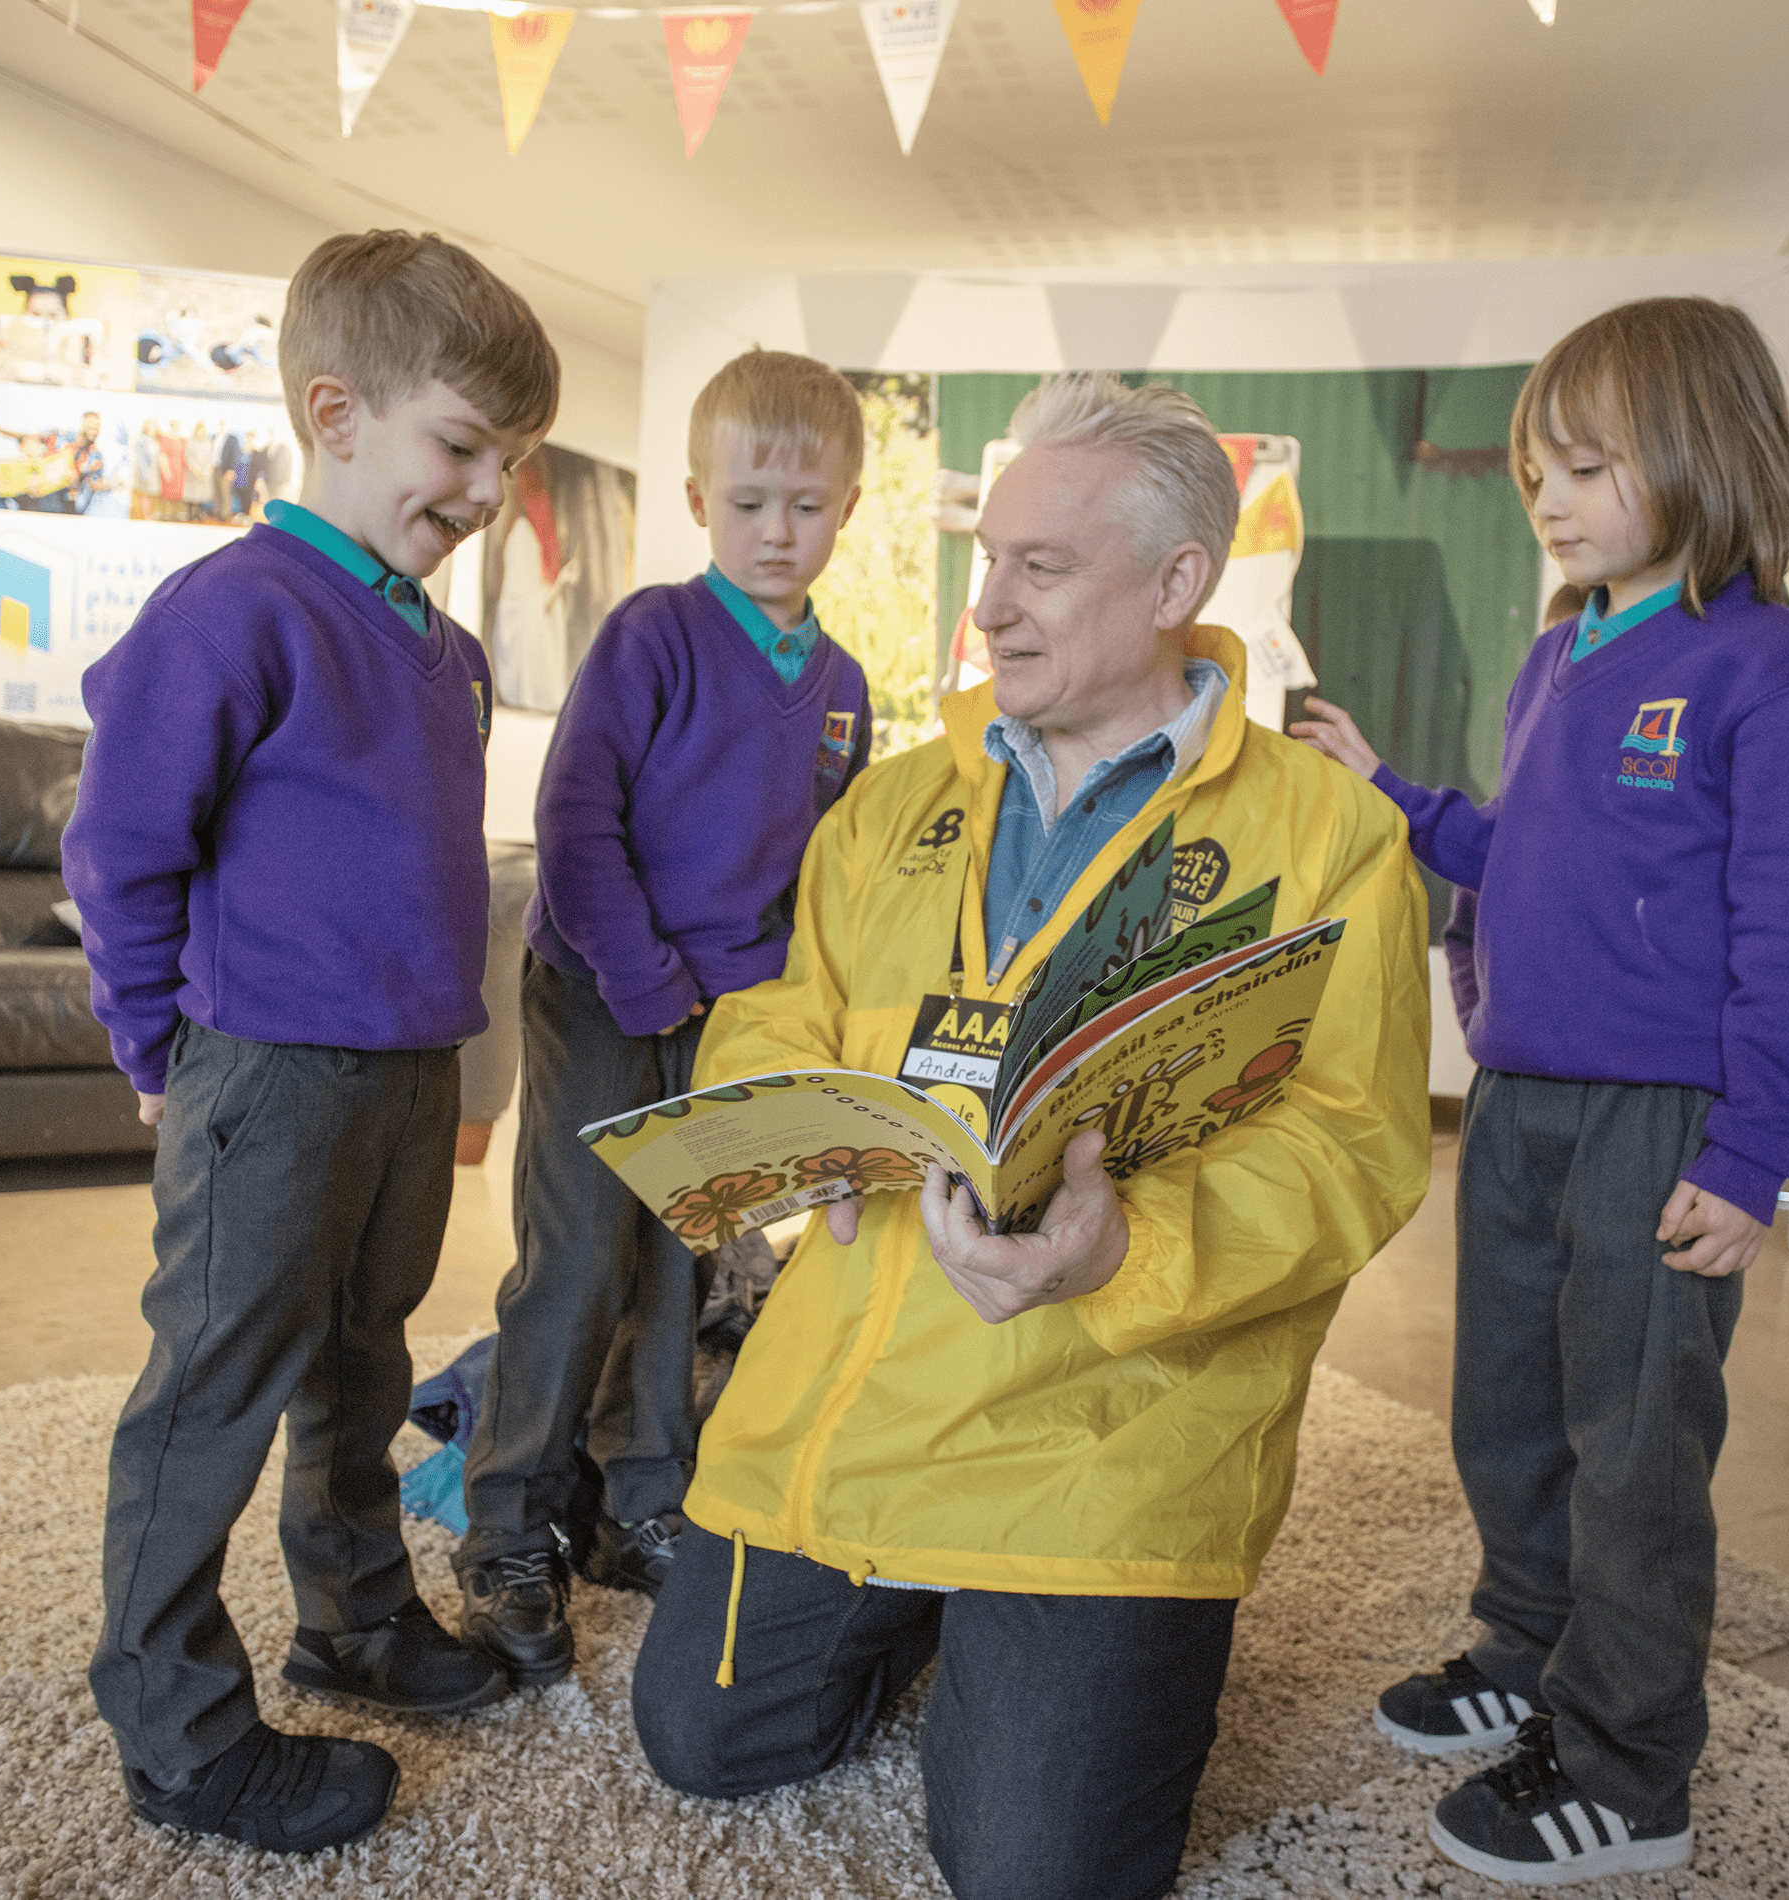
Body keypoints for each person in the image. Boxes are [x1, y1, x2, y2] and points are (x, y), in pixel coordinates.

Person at [629, 372, 1432, 1900]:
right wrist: (793, 1130)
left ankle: (1037, 1637)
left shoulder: (1334, 840)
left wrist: (1131, 1240)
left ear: (1179, 583)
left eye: (1040, 569)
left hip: (1106, 1430)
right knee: (702, 1738)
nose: (987, 606)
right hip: (859, 1389)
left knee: (1037, 1873)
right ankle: (952, 1619)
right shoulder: (889, 805)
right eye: (990, 558)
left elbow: (1355, 1144)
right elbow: (785, 1010)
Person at [1290, 296, 1789, 1885]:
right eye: (1541, 466)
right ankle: (1527, 1648)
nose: (1550, 495)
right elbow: (1510, 856)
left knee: (1636, 1442)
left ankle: (1628, 1764)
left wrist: (1754, 1154)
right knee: (1509, 1412)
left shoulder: (1767, 665)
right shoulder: (1558, 655)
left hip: (1664, 1122)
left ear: (1706, 457)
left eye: (1591, 465)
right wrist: (1389, 797)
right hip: (1522, 1101)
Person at [61, 228, 560, 1857]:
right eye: (464, 446)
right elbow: (120, 847)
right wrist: (154, 1043)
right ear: (337, 415)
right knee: (215, 1383)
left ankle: (352, 1618)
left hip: (410, 1072)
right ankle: (176, 1721)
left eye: (511, 459)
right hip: (264, 1071)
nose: (488, 488)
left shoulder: (444, 644)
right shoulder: (231, 612)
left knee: (363, 1359)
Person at [454, 349, 875, 1688]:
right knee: (577, 1260)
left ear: (847, 509)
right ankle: (510, 1530)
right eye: (750, 502)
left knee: (684, 1259)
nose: (777, 531)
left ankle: (643, 1499)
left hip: (726, 1018)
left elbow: (813, 870)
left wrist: (780, 1013)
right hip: (599, 982)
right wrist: (644, 980)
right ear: (699, 499)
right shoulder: (652, 633)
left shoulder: (845, 685)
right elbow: (576, 822)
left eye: (806, 507)